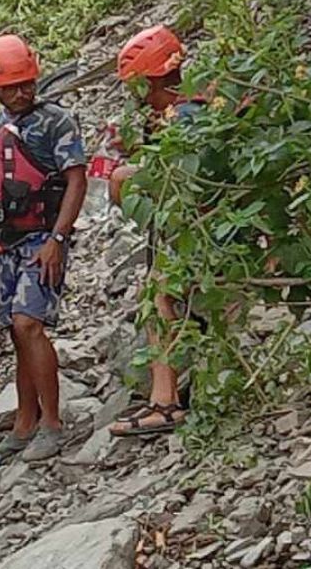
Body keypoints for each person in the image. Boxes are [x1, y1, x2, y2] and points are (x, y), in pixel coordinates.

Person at [0, 35, 87, 461]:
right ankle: (24, 420)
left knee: (28, 324)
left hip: (42, 237)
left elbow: (77, 179)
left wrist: (58, 239)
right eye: (11, 87)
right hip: (4, 244)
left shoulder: (56, 122)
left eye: (27, 84)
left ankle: (52, 422)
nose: (21, 93)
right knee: (15, 333)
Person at [106, 25, 202, 436]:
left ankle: (165, 401)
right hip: (199, 233)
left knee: (158, 292)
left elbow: (180, 182)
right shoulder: (188, 110)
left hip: (203, 237)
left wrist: (128, 175)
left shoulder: (186, 120)